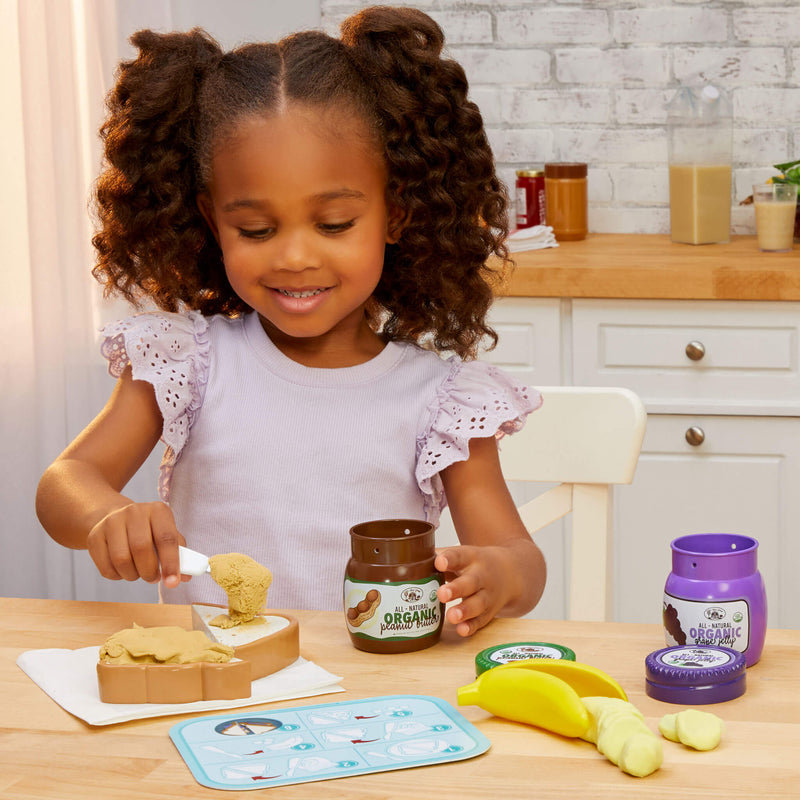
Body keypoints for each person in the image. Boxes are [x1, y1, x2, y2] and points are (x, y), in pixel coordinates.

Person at [35, 6, 546, 637]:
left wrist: (495, 576)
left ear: (397, 215)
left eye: (333, 224)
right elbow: (67, 481)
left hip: (375, 696)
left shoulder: (442, 399)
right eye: (255, 229)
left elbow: (521, 561)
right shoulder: (188, 362)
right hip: (223, 688)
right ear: (211, 219)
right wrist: (105, 517)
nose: (296, 257)